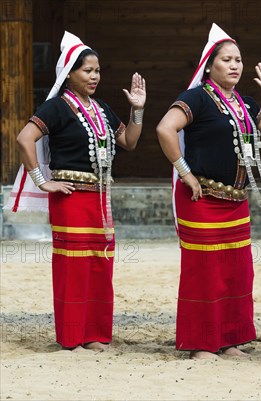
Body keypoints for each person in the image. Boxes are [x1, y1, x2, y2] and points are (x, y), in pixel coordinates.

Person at [155, 24, 261, 360]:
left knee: (235, 271)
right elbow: (165, 128)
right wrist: (185, 172)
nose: (234, 66)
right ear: (210, 65)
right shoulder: (196, 97)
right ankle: (201, 342)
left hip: (235, 201)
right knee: (205, 272)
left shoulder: (244, 102)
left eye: (238, 60)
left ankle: (229, 340)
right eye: (226, 60)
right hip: (202, 200)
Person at [6, 31, 146, 351]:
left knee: (99, 265)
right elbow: (24, 139)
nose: (95, 76)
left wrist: (137, 110)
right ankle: (73, 336)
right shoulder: (56, 107)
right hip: (69, 198)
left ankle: (95, 334)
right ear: (69, 72)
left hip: (99, 198)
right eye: (88, 70)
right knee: (74, 268)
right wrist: (42, 180)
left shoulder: (103, 109)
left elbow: (129, 142)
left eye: (97, 70)